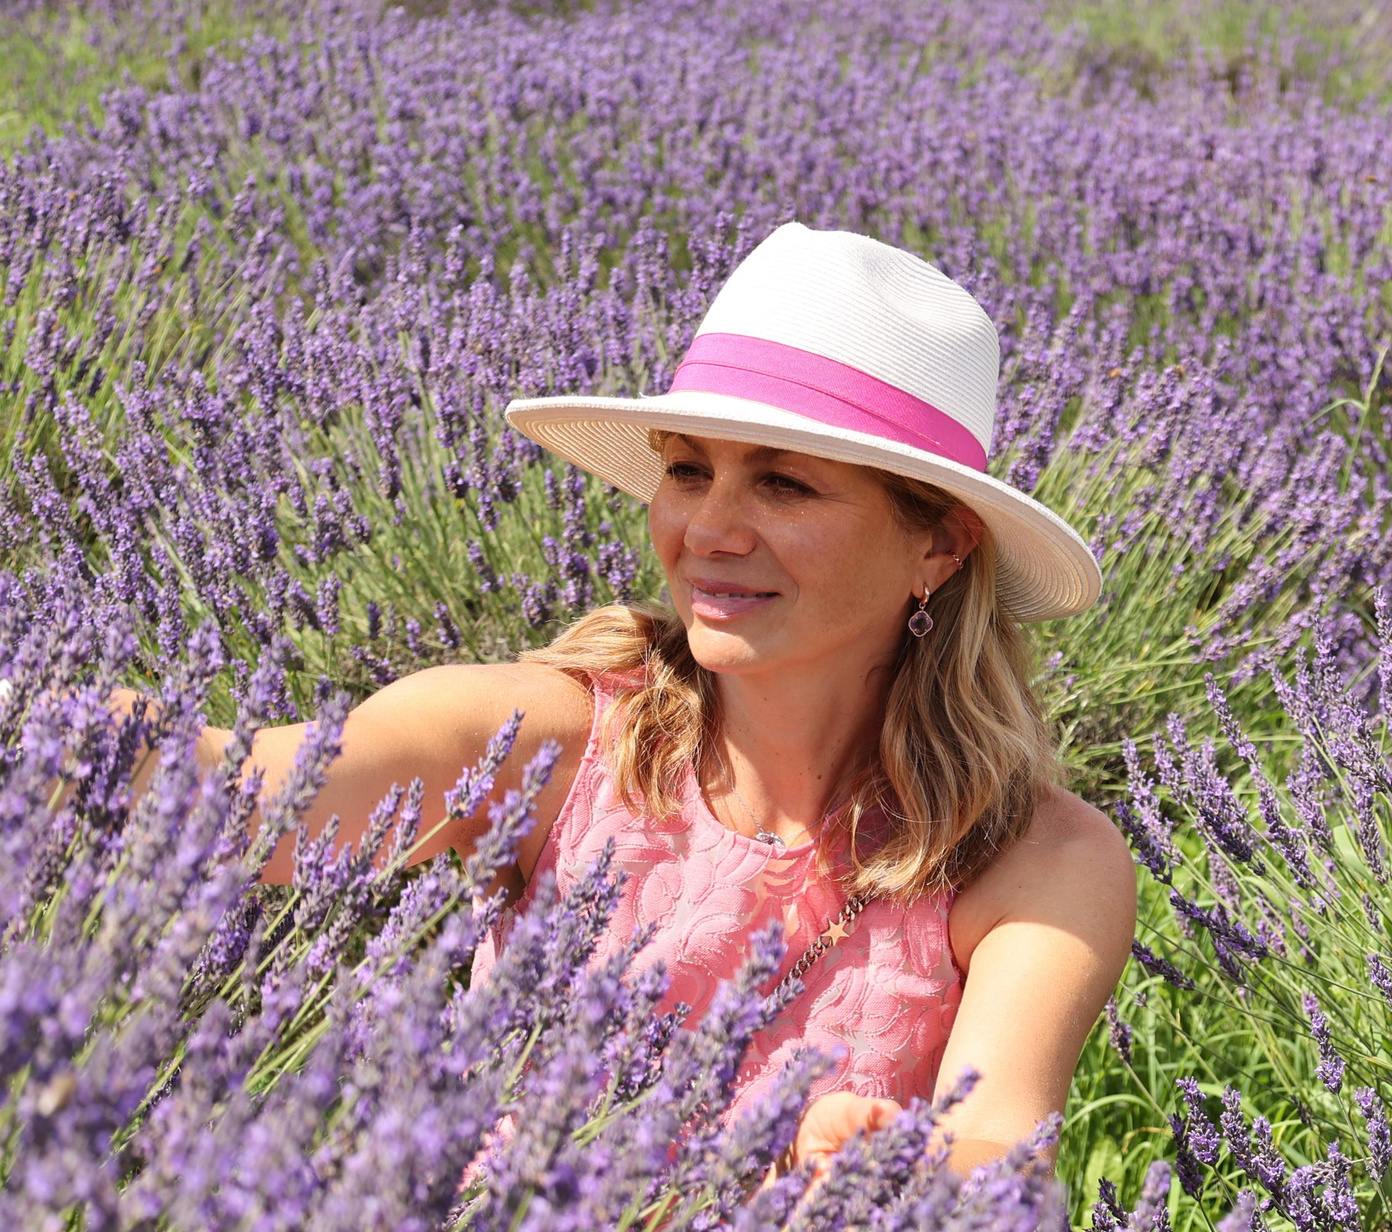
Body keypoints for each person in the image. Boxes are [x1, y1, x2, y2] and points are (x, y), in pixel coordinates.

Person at [143, 222, 1137, 1179]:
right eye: (687, 471)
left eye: (785, 486)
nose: (709, 528)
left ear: (939, 545)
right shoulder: (549, 744)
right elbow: (239, 795)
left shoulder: (1036, 858)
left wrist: (894, 1161)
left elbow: (1000, 1139)